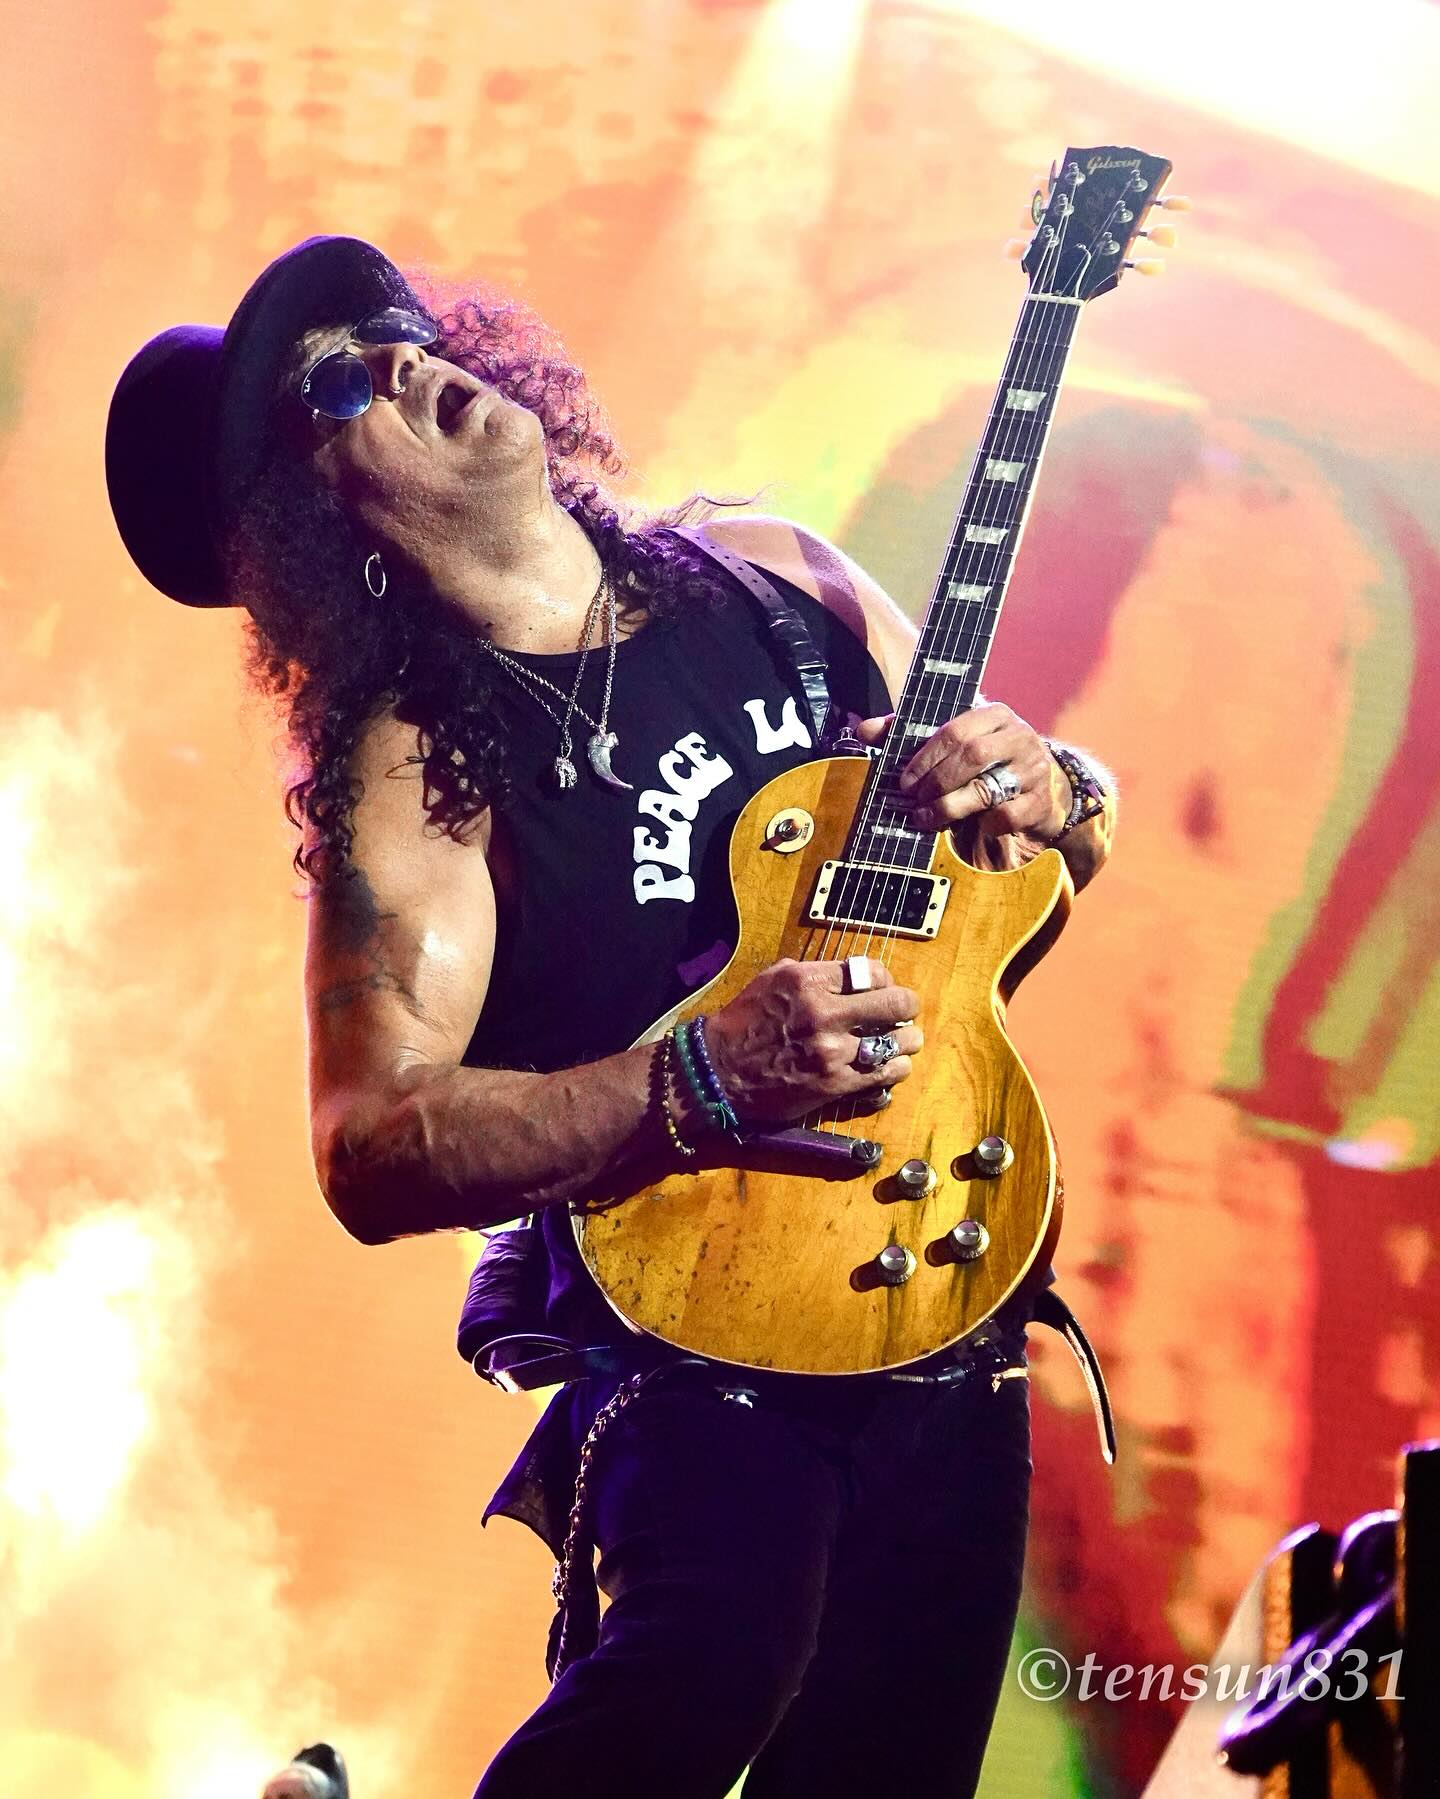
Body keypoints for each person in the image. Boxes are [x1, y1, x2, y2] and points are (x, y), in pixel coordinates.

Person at [107, 236, 1115, 1799]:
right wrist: (702, 1077)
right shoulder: (421, 772)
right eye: (338, 386)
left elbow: (1024, 853)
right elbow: (372, 1141)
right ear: (317, 524)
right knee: (699, 1683)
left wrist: (1061, 787)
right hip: (693, 1332)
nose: (405, 359)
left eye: (396, 327)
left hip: (943, 1291)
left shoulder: (776, 575)